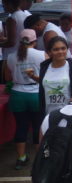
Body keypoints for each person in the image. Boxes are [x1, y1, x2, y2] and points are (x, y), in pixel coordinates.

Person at [4, 30, 45, 169]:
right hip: (36, 93)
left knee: (21, 126)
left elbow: (8, 78)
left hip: (17, 94)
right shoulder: (41, 55)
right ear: (35, 41)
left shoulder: (10, 56)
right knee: (37, 126)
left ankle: (21, 158)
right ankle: (41, 158)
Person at [38, 36, 72, 115]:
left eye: (63, 48)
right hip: (48, 115)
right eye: (56, 49)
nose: (60, 51)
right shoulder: (44, 67)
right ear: (49, 52)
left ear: (67, 50)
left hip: (70, 114)